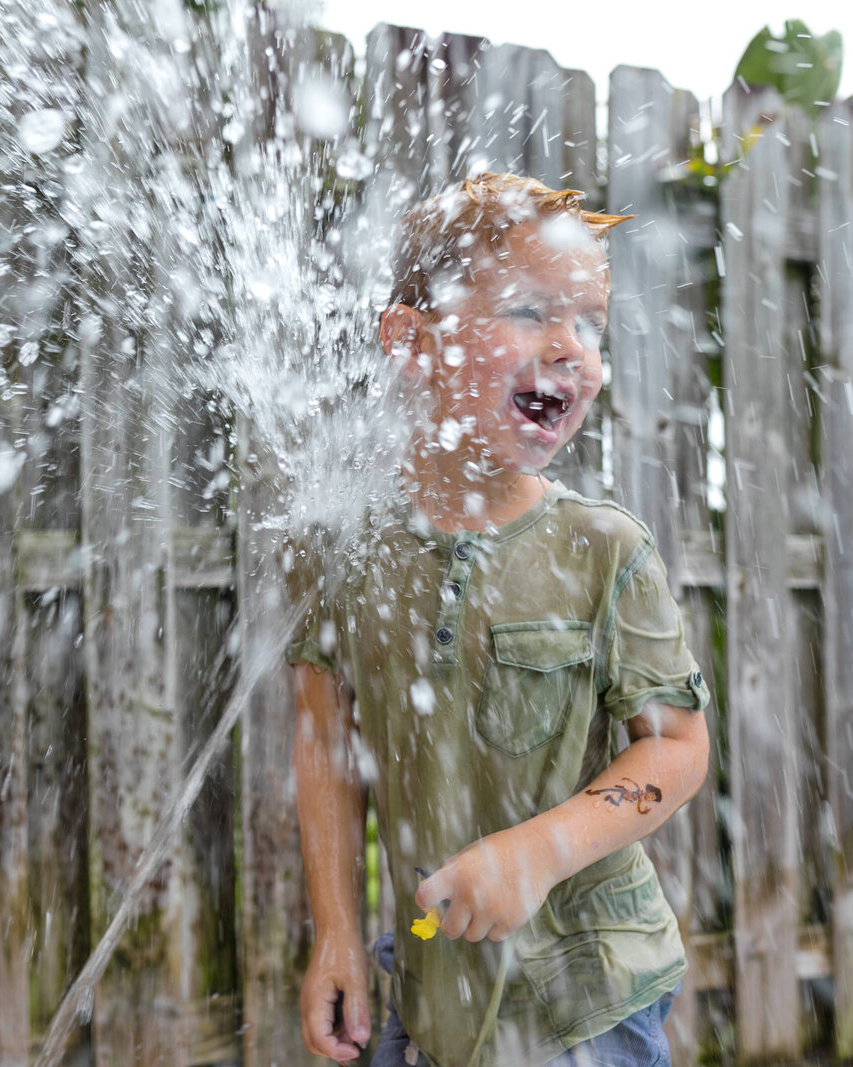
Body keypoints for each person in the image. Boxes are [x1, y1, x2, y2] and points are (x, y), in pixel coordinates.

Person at [289, 172, 712, 1067]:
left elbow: (678, 748)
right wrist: (335, 932)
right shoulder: (355, 548)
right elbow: (326, 737)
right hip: (435, 977)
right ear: (409, 339)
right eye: (528, 311)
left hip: (585, 998)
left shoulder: (602, 550)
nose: (571, 349)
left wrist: (539, 850)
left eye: (589, 323)